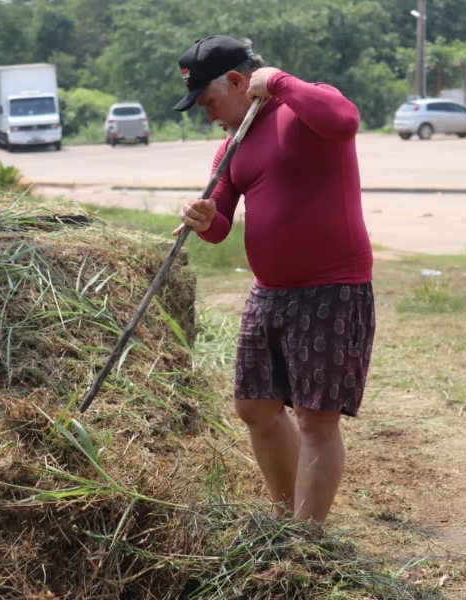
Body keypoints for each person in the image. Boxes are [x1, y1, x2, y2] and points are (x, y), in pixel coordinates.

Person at [171, 35, 375, 523]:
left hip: (332, 288)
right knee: (254, 406)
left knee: (316, 419)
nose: (209, 115)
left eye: (209, 102)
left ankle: (308, 538)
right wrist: (204, 218)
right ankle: (285, 523)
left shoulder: (303, 107)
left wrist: (281, 82)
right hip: (269, 293)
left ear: (237, 81)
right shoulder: (232, 145)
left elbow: (345, 120)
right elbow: (219, 224)